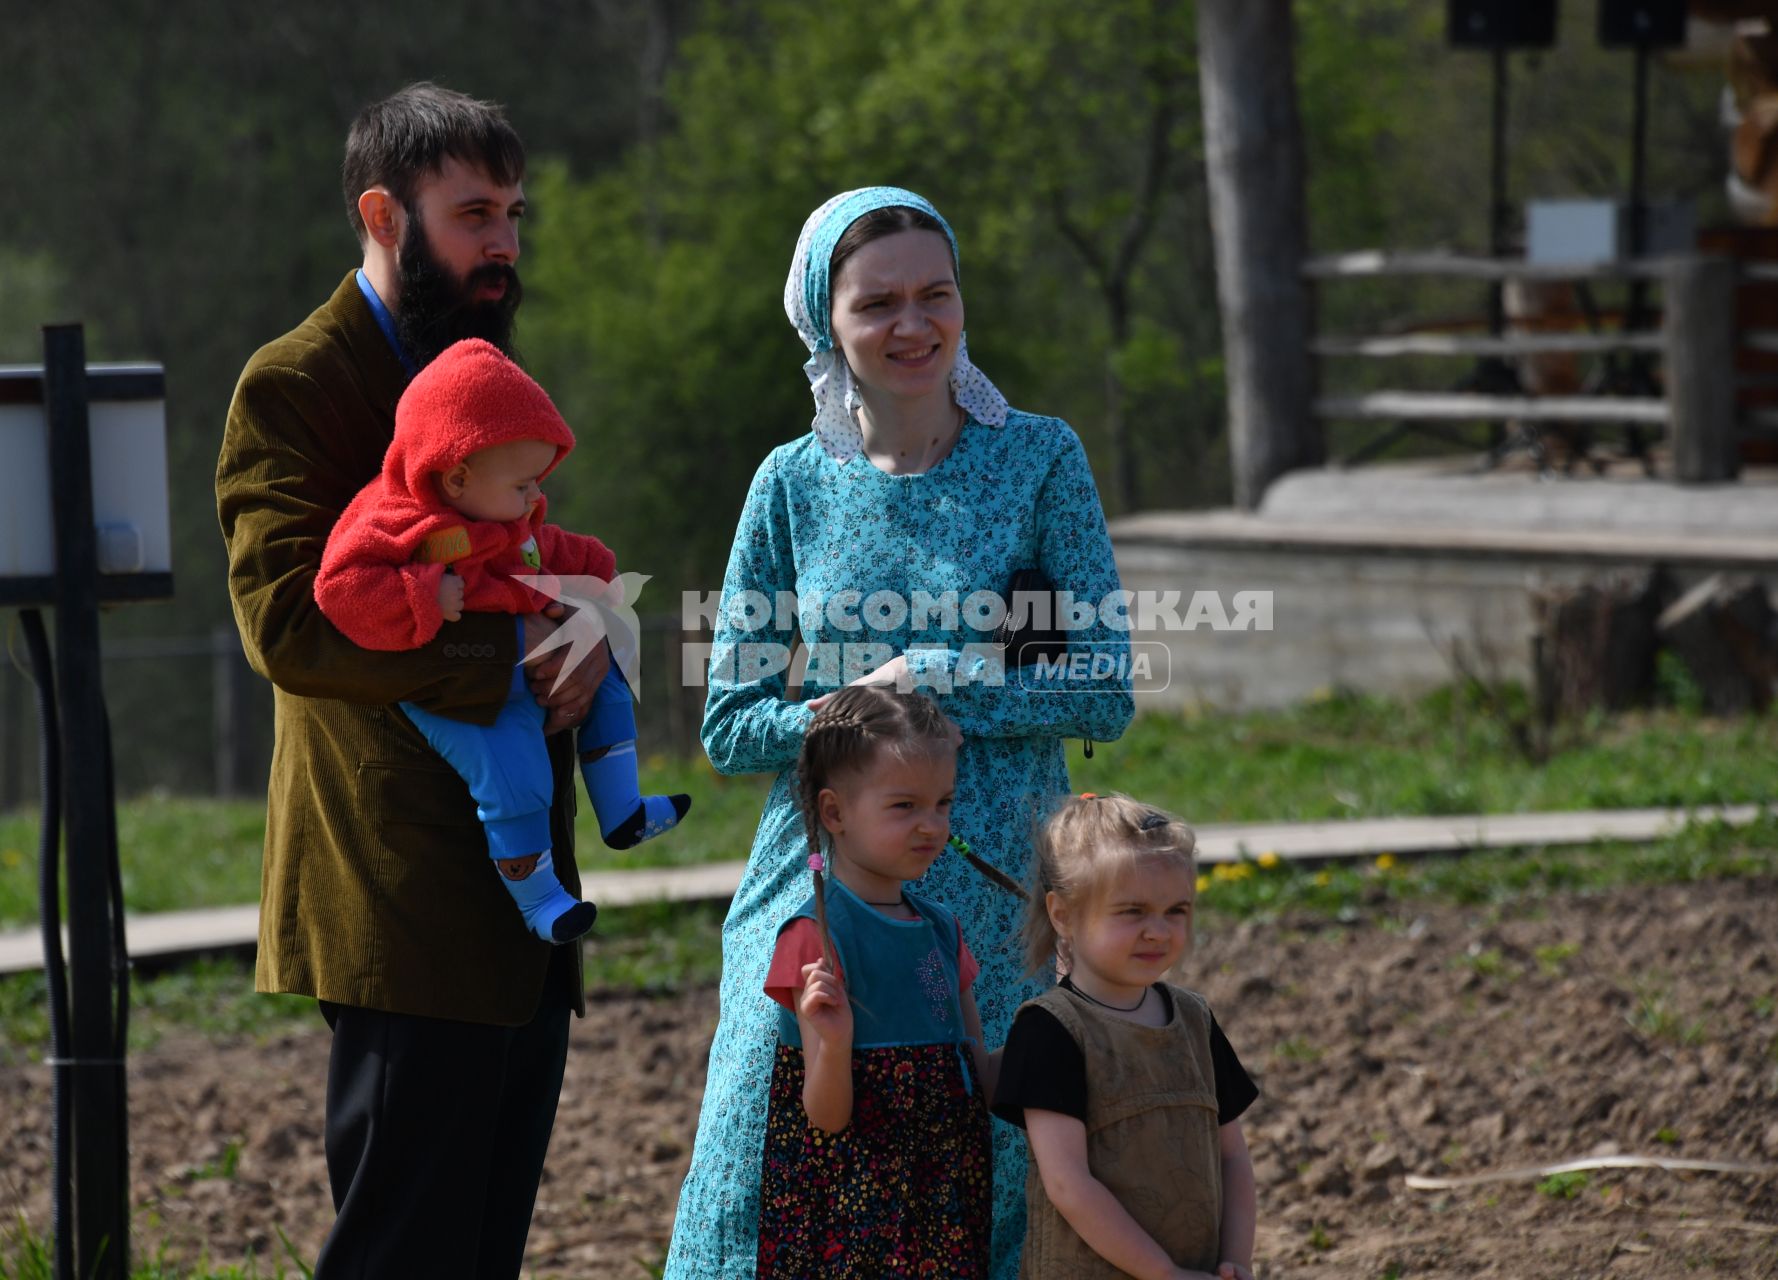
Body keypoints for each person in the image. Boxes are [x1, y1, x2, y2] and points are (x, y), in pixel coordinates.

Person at [665, 185, 1135, 1278]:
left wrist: (940, 683)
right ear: (823, 321)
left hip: (998, 885)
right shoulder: (789, 483)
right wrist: (856, 712)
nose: (913, 324)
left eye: (936, 293)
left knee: (988, 1181)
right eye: (877, 302)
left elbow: (1103, 688)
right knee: (760, 1158)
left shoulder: (1040, 459)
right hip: (824, 884)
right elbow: (732, 726)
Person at [215, 83, 610, 1278]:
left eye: (514, 214)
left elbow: (521, 560)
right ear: (383, 213)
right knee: (402, 1253)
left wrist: (594, 624)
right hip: (390, 886)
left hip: (518, 894)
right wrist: (514, 650)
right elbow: (287, 624)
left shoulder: (478, 362)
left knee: (480, 1249)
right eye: (473, 212)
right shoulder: (293, 384)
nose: (503, 241)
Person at [313, 336, 689, 943]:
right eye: (523, 485)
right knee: (514, 773)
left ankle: (623, 809)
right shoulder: (394, 520)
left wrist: (599, 580)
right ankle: (539, 901)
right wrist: (422, 594)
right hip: (460, 693)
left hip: (532, 667)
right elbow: (340, 587)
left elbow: (554, 550)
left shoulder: (510, 517)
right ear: (457, 475)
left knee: (612, 686)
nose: (535, 498)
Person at [756, 685, 999, 1278]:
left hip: (940, 1206)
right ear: (834, 812)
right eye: (904, 806)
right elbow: (827, 1116)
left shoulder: (941, 930)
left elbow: (978, 1074)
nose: (932, 825)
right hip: (853, 1217)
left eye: (943, 803)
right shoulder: (815, 939)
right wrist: (835, 1043)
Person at [993, 793, 1258, 1280]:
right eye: (1133, 911)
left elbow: (1233, 1158)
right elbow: (1068, 1183)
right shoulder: (1051, 1029)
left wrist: (1235, 1260)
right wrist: (1161, 1272)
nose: (1158, 931)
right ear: (1063, 915)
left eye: (1176, 910)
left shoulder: (1194, 1020)